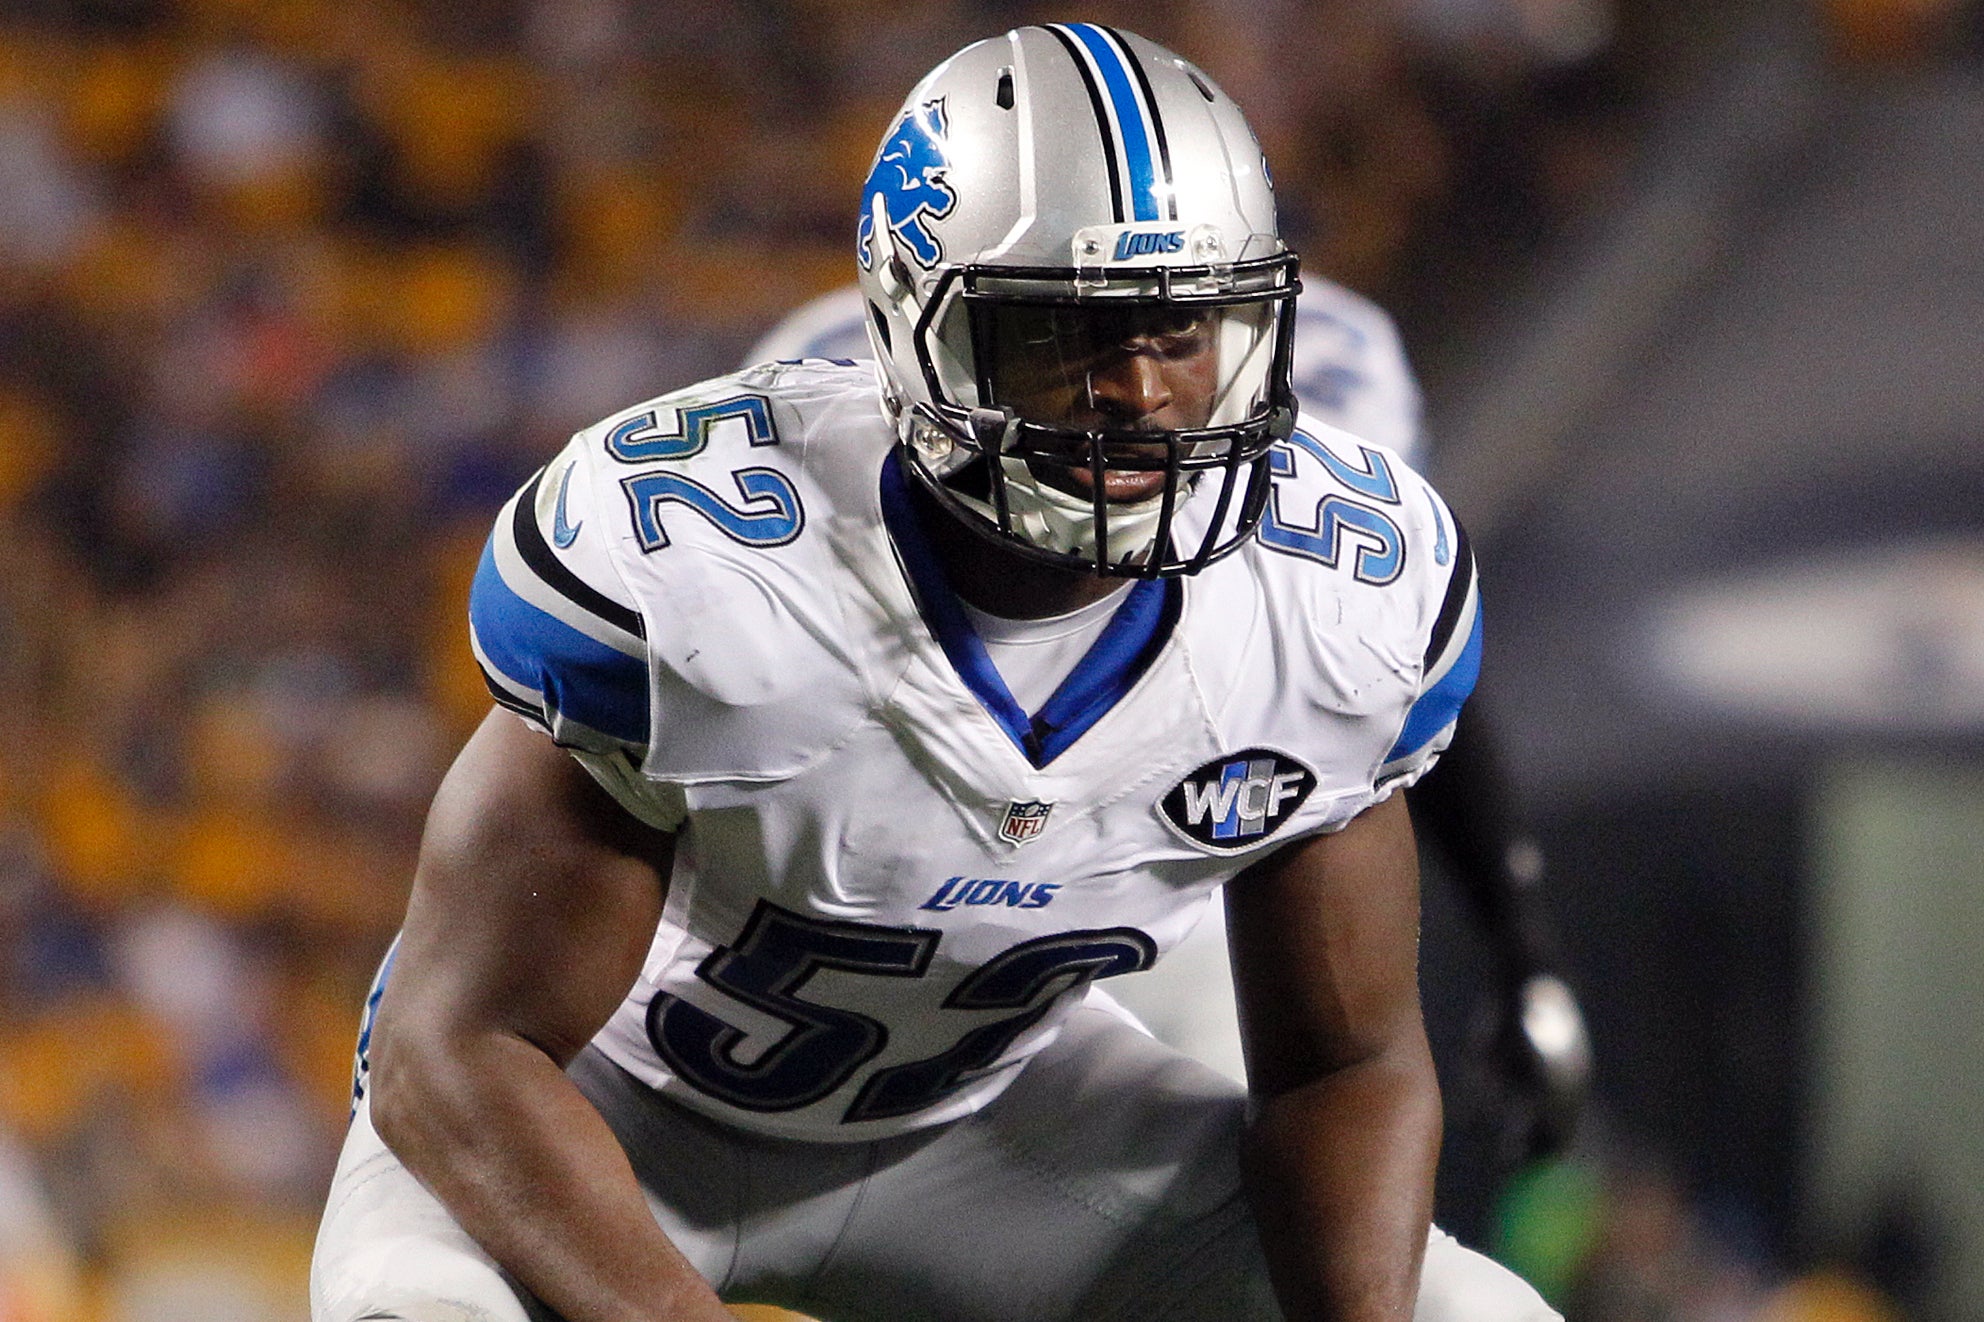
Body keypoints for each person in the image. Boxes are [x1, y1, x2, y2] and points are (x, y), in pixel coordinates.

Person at [311, 24, 1559, 1322]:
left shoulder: (1340, 594)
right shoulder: (704, 568)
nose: (1136, 387)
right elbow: (452, 1052)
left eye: (1181, 327)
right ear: (914, 324)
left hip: (983, 1124)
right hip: (602, 1115)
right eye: (1062, 333)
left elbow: (1341, 1065)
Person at [742, 264, 1591, 1170]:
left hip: (1175, 853)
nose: (1137, 397)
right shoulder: (836, 364)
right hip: (869, 819)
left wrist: (1520, 938)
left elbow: (1380, 664)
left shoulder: (1332, 362)